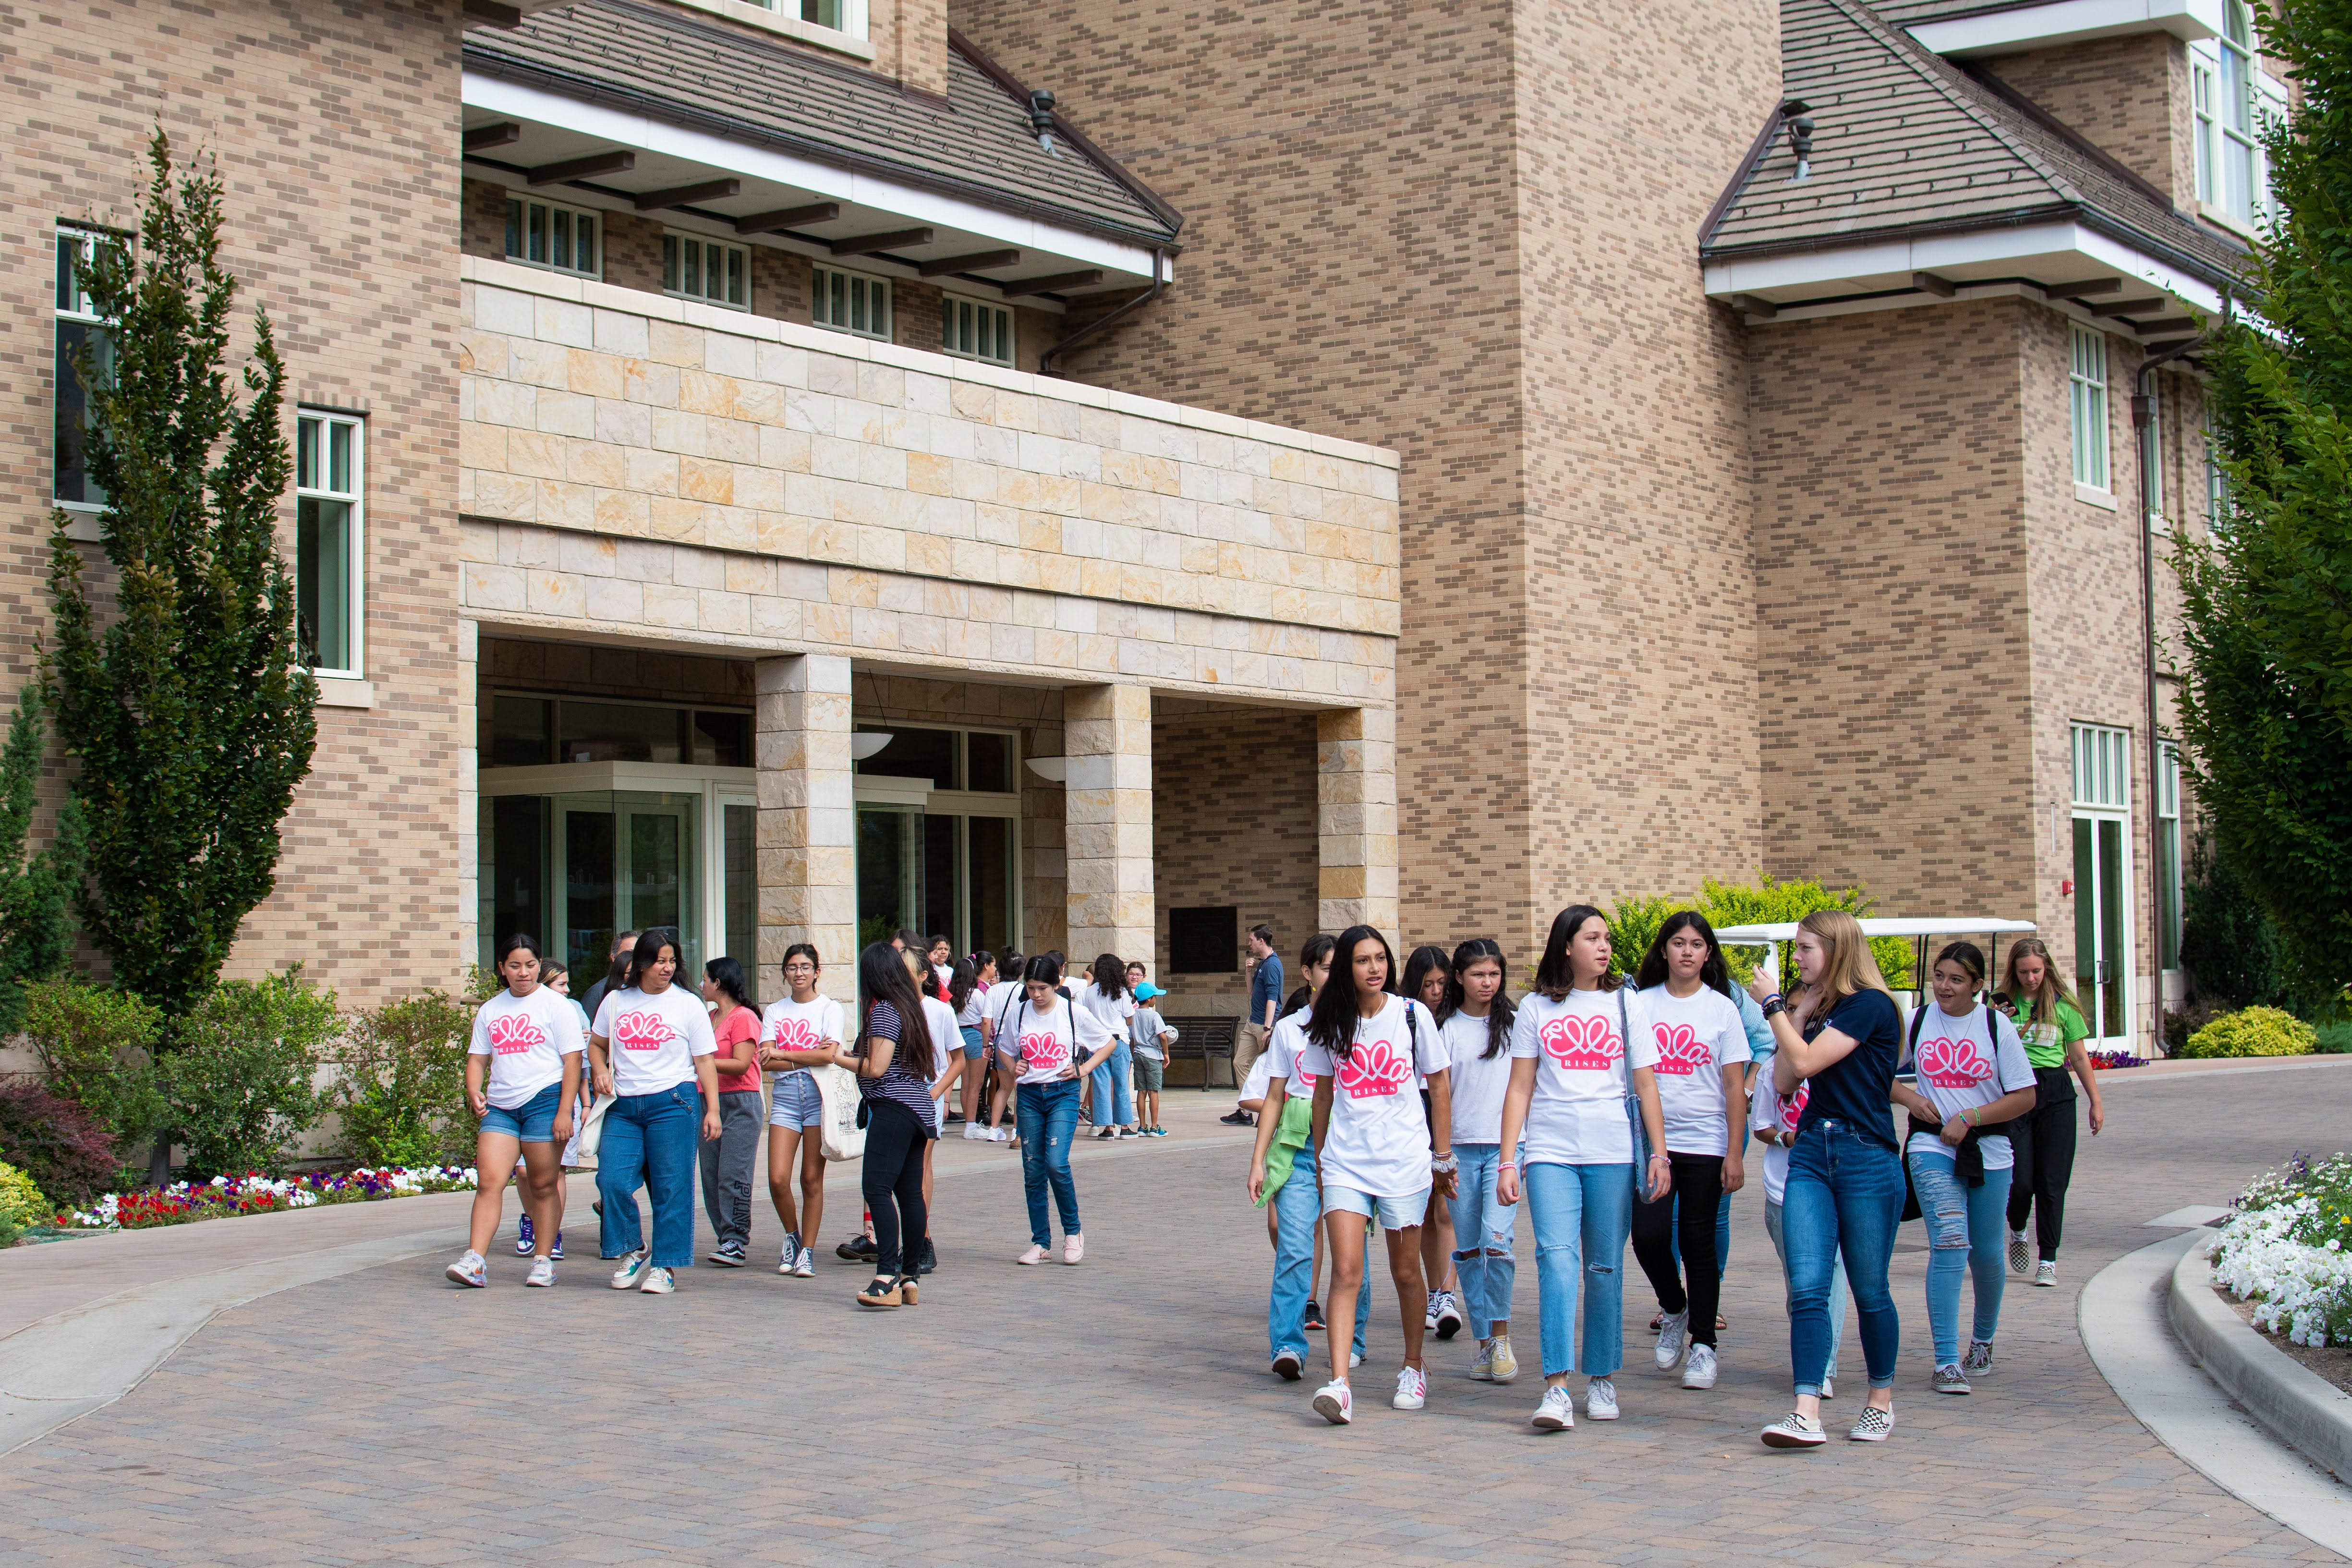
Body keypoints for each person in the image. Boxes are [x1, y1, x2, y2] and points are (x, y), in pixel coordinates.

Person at [1497, 905, 1670, 1431]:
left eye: (1606, 938)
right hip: (1550, 1151)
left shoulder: (1625, 1002)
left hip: (1613, 1152)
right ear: (1565, 945)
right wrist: (1510, 1158)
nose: (1603, 947)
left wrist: (1659, 1152)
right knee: (1555, 1260)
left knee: (1603, 1266)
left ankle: (1601, 1375)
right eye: (1591, 937)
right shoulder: (1534, 1008)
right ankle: (1556, 1386)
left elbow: (1644, 1084)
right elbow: (1520, 1086)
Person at [1749, 909, 1905, 1448]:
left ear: (1835, 950)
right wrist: (1797, 1011)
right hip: (1812, 1153)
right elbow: (1786, 1075)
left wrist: (1772, 1007)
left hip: (1866, 1155)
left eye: (1805, 949)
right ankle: (1805, 1409)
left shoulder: (1870, 1006)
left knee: (1868, 1288)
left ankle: (1879, 1401)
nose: (1796, 959)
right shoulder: (1819, 1009)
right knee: (1809, 1286)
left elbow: (1810, 1063)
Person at [1288, 925, 1453, 1425]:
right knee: (1345, 1271)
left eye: (1380, 958)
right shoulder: (1329, 1020)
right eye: (1362, 960)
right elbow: (1321, 1094)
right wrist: (1320, 1161)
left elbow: (1440, 1086)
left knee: (1406, 1272)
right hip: (1346, 1162)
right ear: (1347, 968)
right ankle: (1339, 1383)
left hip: (1403, 1160)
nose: (1374, 968)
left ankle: (1412, 1365)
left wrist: (1441, 1156)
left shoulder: (1411, 1015)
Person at [1892, 941, 2037, 1393]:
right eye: (1939, 976)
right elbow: (1879, 1075)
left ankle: (1983, 1341)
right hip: (1930, 1146)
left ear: (1978, 985)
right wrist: (1913, 1098)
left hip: (1988, 1149)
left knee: (1987, 1252)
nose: (1944, 987)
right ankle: (1946, 1360)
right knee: (1951, 1243)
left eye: (1957, 979)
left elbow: (2025, 1096)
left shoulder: (1996, 1027)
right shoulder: (1916, 1021)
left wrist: (1970, 1117)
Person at [1626, 912, 1748, 1391]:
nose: (1686, 952)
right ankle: (1673, 1308)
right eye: (1677, 943)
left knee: (1698, 1244)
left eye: (1696, 944)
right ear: (1663, 950)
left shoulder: (1722, 1009)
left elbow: (1735, 1086)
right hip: (1652, 1144)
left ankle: (1703, 1344)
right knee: (1648, 1236)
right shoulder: (1640, 1004)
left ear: (1707, 954)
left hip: (1705, 1142)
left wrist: (1734, 1152)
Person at [1244, 934, 1368, 1379]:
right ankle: (1288, 1345)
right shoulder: (1291, 1029)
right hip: (1296, 1148)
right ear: (1308, 973)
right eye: (1327, 967)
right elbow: (1273, 1095)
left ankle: (1352, 1338)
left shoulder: (1364, 1023)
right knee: (1295, 1247)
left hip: (1349, 1150)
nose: (1336, 976)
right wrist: (1259, 1160)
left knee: (1350, 1253)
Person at [588, 927, 722, 1295]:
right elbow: (597, 1046)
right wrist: (599, 1069)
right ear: (641, 963)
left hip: (674, 1102)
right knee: (612, 1179)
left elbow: (705, 1061)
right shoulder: (616, 1001)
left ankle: (666, 1265)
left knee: (671, 1187)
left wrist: (713, 1109)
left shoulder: (688, 1003)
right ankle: (633, 1248)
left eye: (672, 961)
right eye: (660, 961)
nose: (667, 968)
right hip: (624, 1105)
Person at [448, 934, 583, 1288]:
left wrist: (565, 1111)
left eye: (531, 965)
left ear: (539, 965)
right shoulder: (491, 1009)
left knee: (542, 1184)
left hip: (545, 1100)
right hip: (502, 1107)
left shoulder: (557, 1006)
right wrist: (474, 1089)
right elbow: (478, 1058)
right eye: (515, 965)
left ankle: (543, 1261)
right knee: (489, 1182)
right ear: (502, 969)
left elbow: (573, 1061)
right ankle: (475, 1259)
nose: (524, 972)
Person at [2000, 936, 2105, 1288]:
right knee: (2020, 1180)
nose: (2031, 978)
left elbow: (2078, 1057)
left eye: (2037, 971)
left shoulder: (2063, 1005)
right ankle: (2017, 1227)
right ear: (2014, 971)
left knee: (2052, 1183)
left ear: (2047, 969)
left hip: (2056, 1093)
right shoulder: (2000, 1005)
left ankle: (2048, 1259)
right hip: (2015, 1092)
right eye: (2024, 972)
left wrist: (2095, 1100)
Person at [1438, 937, 1520, 1383]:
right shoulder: (1446, 1028)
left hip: (1506, 1149)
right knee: (1468, 1250)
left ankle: (1502, 1336)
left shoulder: (1517, 1023)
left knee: (1497, 1242)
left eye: (1494, 973)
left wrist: (1520, 1154)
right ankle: (1485, 1340)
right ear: (1459, 977)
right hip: (1461, 1152)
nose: (1487, 982)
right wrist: (1441, 1156)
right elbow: (1440, 1094)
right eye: (1478, 974)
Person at [1003, 953, 1117, 1264]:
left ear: (1056, 984)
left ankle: (1073, 1231)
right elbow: (1004, 1048)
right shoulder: (1019, 1012)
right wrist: (1015, 1065)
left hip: (1062, 1093)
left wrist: (1082, 1069)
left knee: (1056, 1162)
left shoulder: (1072, 1011)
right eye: (1030, 988)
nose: (1036, 994)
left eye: (1042, 987)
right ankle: (1041, 1241)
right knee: (1032, 1167)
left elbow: (1109, 1043)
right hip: (1028, 1095)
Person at [846, 942, 938, 1308]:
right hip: (917, 1109)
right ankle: (909, 1276)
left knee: (876, 1187)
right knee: (910, 1195)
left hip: (894, 1107)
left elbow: (876, 1068)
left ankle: (886, 1276)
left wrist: (837, 1057)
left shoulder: (883, 1010)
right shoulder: (910, 1008)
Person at [1751, 1045, 1843, 1399]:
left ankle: (1822, 1365)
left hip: (1833, 1183)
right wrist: (1788, 1138)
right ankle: (1812, 1346)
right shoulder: (1772, 1069)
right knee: (1801, 1284)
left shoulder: (1840, 1059)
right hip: (1784, 1189)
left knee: (1831, 1273)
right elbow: (1761, 1126)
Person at [759, 943, 846, 1278]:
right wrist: (803, 1054)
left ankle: (807, 1251)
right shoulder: (775, 1011)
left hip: (817, 1095)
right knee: (777, 1178)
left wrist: (786, 1055)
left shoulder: (830, 1008)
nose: (799, 972)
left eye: (806, 966)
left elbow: (829, 1056)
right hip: (784, 1096)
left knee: (811, 1178)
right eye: (793, 967)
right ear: (785, 972)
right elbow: (766, 1058)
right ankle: (792, 1236)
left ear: (817, 972)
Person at [1401, 943, 1466, 1342]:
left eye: (1443, 983)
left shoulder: (1457, 1018)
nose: (1437, 991)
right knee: (1425, 1209)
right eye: (1429, 984)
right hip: (1416, 1110)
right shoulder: (1405, 1016)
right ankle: (1433, 1292)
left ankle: (1447, 1293)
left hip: (1449, 1108)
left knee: (1446, 1206)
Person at [696, 957, 763, 1268]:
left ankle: (737, 1239)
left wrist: (702, 1061)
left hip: (739, 1102)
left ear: (718, 983)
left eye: (705, 979)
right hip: (707, 1101)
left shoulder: (744, 1017)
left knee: (733, 1173)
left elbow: (741, 1063)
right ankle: (725, 1238)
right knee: (711, 1175)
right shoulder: (708, 1017)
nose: (701, 984)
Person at [904, 944, 960, 1276]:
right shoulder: (885, 1009)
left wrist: (937, 1093)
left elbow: (958, 1060)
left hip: (927, 1095)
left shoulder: (940, 1011)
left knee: (919, 1164)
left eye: (906, 971)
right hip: (895, 1096)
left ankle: (921, 1239)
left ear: (924, 976)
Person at [1075, 953, 1139, 1140]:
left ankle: (1107, 1128)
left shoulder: (1087, 992)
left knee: (1101, 1085)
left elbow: (1082, 1017)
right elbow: (1129, 1019)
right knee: (1121, 1084)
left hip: (1097, 1044)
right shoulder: (1122, 992)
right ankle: (1125, 1127)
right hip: (1119, 1041)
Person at [1229, 922, 1283, 1111]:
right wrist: (1248, 971)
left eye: (1251, 940)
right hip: (1252, 1023)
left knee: (1268, 1070)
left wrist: (1268, 1029)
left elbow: (1273, 998)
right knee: (1240, 1062)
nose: (1249, 943)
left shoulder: (1273, 965)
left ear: (1261, 941)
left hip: (1264, 1025)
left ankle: (1267, 1109)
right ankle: (1248, 1109)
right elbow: (1251, 992)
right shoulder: (1263, 964)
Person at [979, 946, 1026, 1142]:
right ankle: (1017, 1130)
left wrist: (986, 1045)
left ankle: (994, 1129)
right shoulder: (1024, 990)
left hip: (999, 1041)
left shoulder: (992, 991)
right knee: (1020, 1088)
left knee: (1003, 1087)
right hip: (1020, 1041)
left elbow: (986, 1021)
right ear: (1021, 971)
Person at [954, 952, 994, 1134]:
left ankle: (968, 1123)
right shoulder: (977, 994)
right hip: (976, 1036)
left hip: (959, 1037)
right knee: (976, 1086)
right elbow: (987, 1018)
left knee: (965, 1084)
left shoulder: (953, 995)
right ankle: (971, 1126)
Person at [1130, 981, 1173, 1137]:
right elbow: (1163, 1036)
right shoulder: (1154, 1015)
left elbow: (1132, 1039)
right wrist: (1166, 1054)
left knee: (1141, 1091)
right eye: (1155, 996)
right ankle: (1155, 1127)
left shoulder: (1134, 1016)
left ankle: (1142, 1126)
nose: (1156, 999)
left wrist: (1134, 1053)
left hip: (1138, 1055)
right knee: (1153, 1091)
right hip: (1153, 1056)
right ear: (1149, 999)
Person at [579, 929, 640, 1023]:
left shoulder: (652, 988)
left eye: (639, 953)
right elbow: (587, 1031)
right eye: (629, 953)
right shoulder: (598, 992)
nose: (635, 958)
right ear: (613, 957)